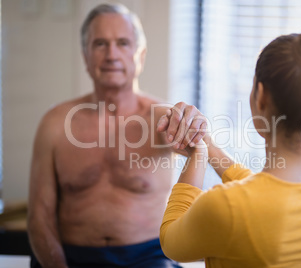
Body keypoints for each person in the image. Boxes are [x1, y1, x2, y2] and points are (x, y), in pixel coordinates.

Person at [27, 4, 206, 268]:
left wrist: (195, 125)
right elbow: (39, 217)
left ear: (140, 55)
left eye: (123, 43)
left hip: (150, 257)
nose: (111, 55)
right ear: (85, 56)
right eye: (100, 44)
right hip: (72, 258)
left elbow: (201, 149)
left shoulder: (163, 119)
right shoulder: (54, 124)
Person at [158, 29, 301, 267]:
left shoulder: (224, 206)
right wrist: (207, 144)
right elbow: (266, 195)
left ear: (260, 96)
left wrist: (197, 156)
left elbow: (170, 241)